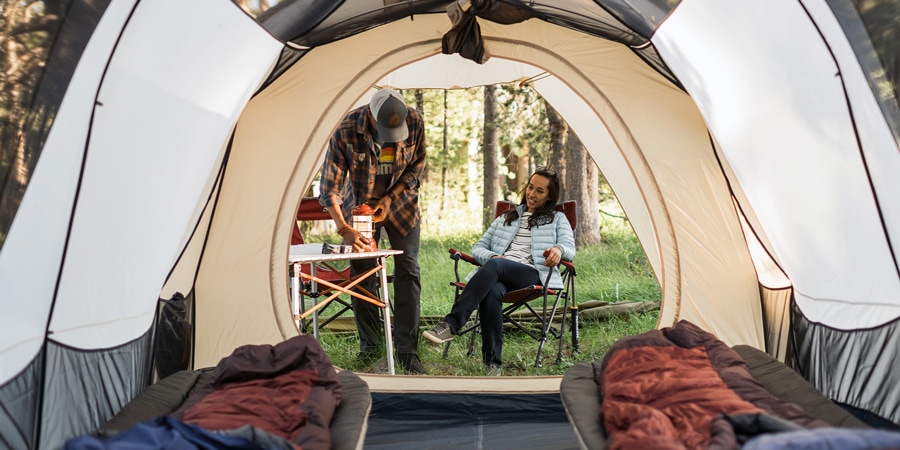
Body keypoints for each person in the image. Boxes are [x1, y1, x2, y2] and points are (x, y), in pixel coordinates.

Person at [422, 168, 575, 376]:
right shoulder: (507, 217)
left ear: (549, 196)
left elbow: (569, 247)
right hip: (498, 273)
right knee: (492, 291)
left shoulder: (557, 218)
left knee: (495, 266)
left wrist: (558, 250)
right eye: (530, 187)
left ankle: (452, 323)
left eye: (540, 191)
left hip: (532, 274)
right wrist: (493, 257)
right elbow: (478, 248)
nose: (532, 194)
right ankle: (492, 364)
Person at [318, 88, 427, 374]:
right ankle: (371, 347)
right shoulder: (345, 130)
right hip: (361, 211)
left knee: (409, 270)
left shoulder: (414, 121)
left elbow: (416, 167)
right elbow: (330, 188)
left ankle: (407, 351)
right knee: (364, 273)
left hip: (401, 207)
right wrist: (344, 229)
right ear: (370, 115)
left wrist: (391, 197)